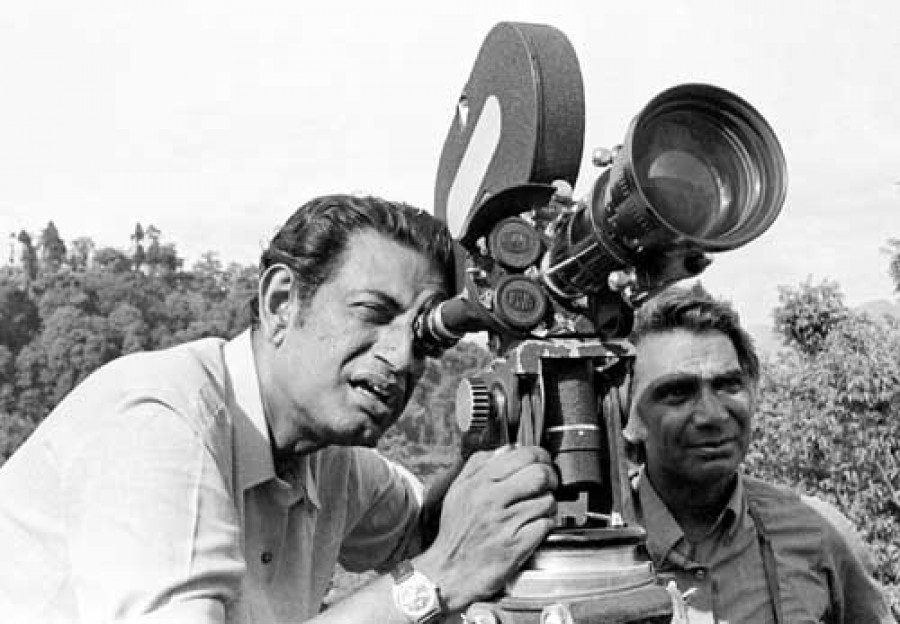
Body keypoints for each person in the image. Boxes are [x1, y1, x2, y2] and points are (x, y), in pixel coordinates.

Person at [0, 194, 559, 623]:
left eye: (423, 337)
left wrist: (498, 459)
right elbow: (443, 559)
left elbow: (432, 528)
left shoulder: (329, 460)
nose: (401, 356)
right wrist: (432, 581)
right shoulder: (157, 423)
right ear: (280, 302)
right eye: (372, 313)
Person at [622, 287, 891, 623]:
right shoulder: (588, 551)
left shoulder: (819, 532)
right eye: (677, 392)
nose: (712, 414)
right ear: (630, 417)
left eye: (728, 385)